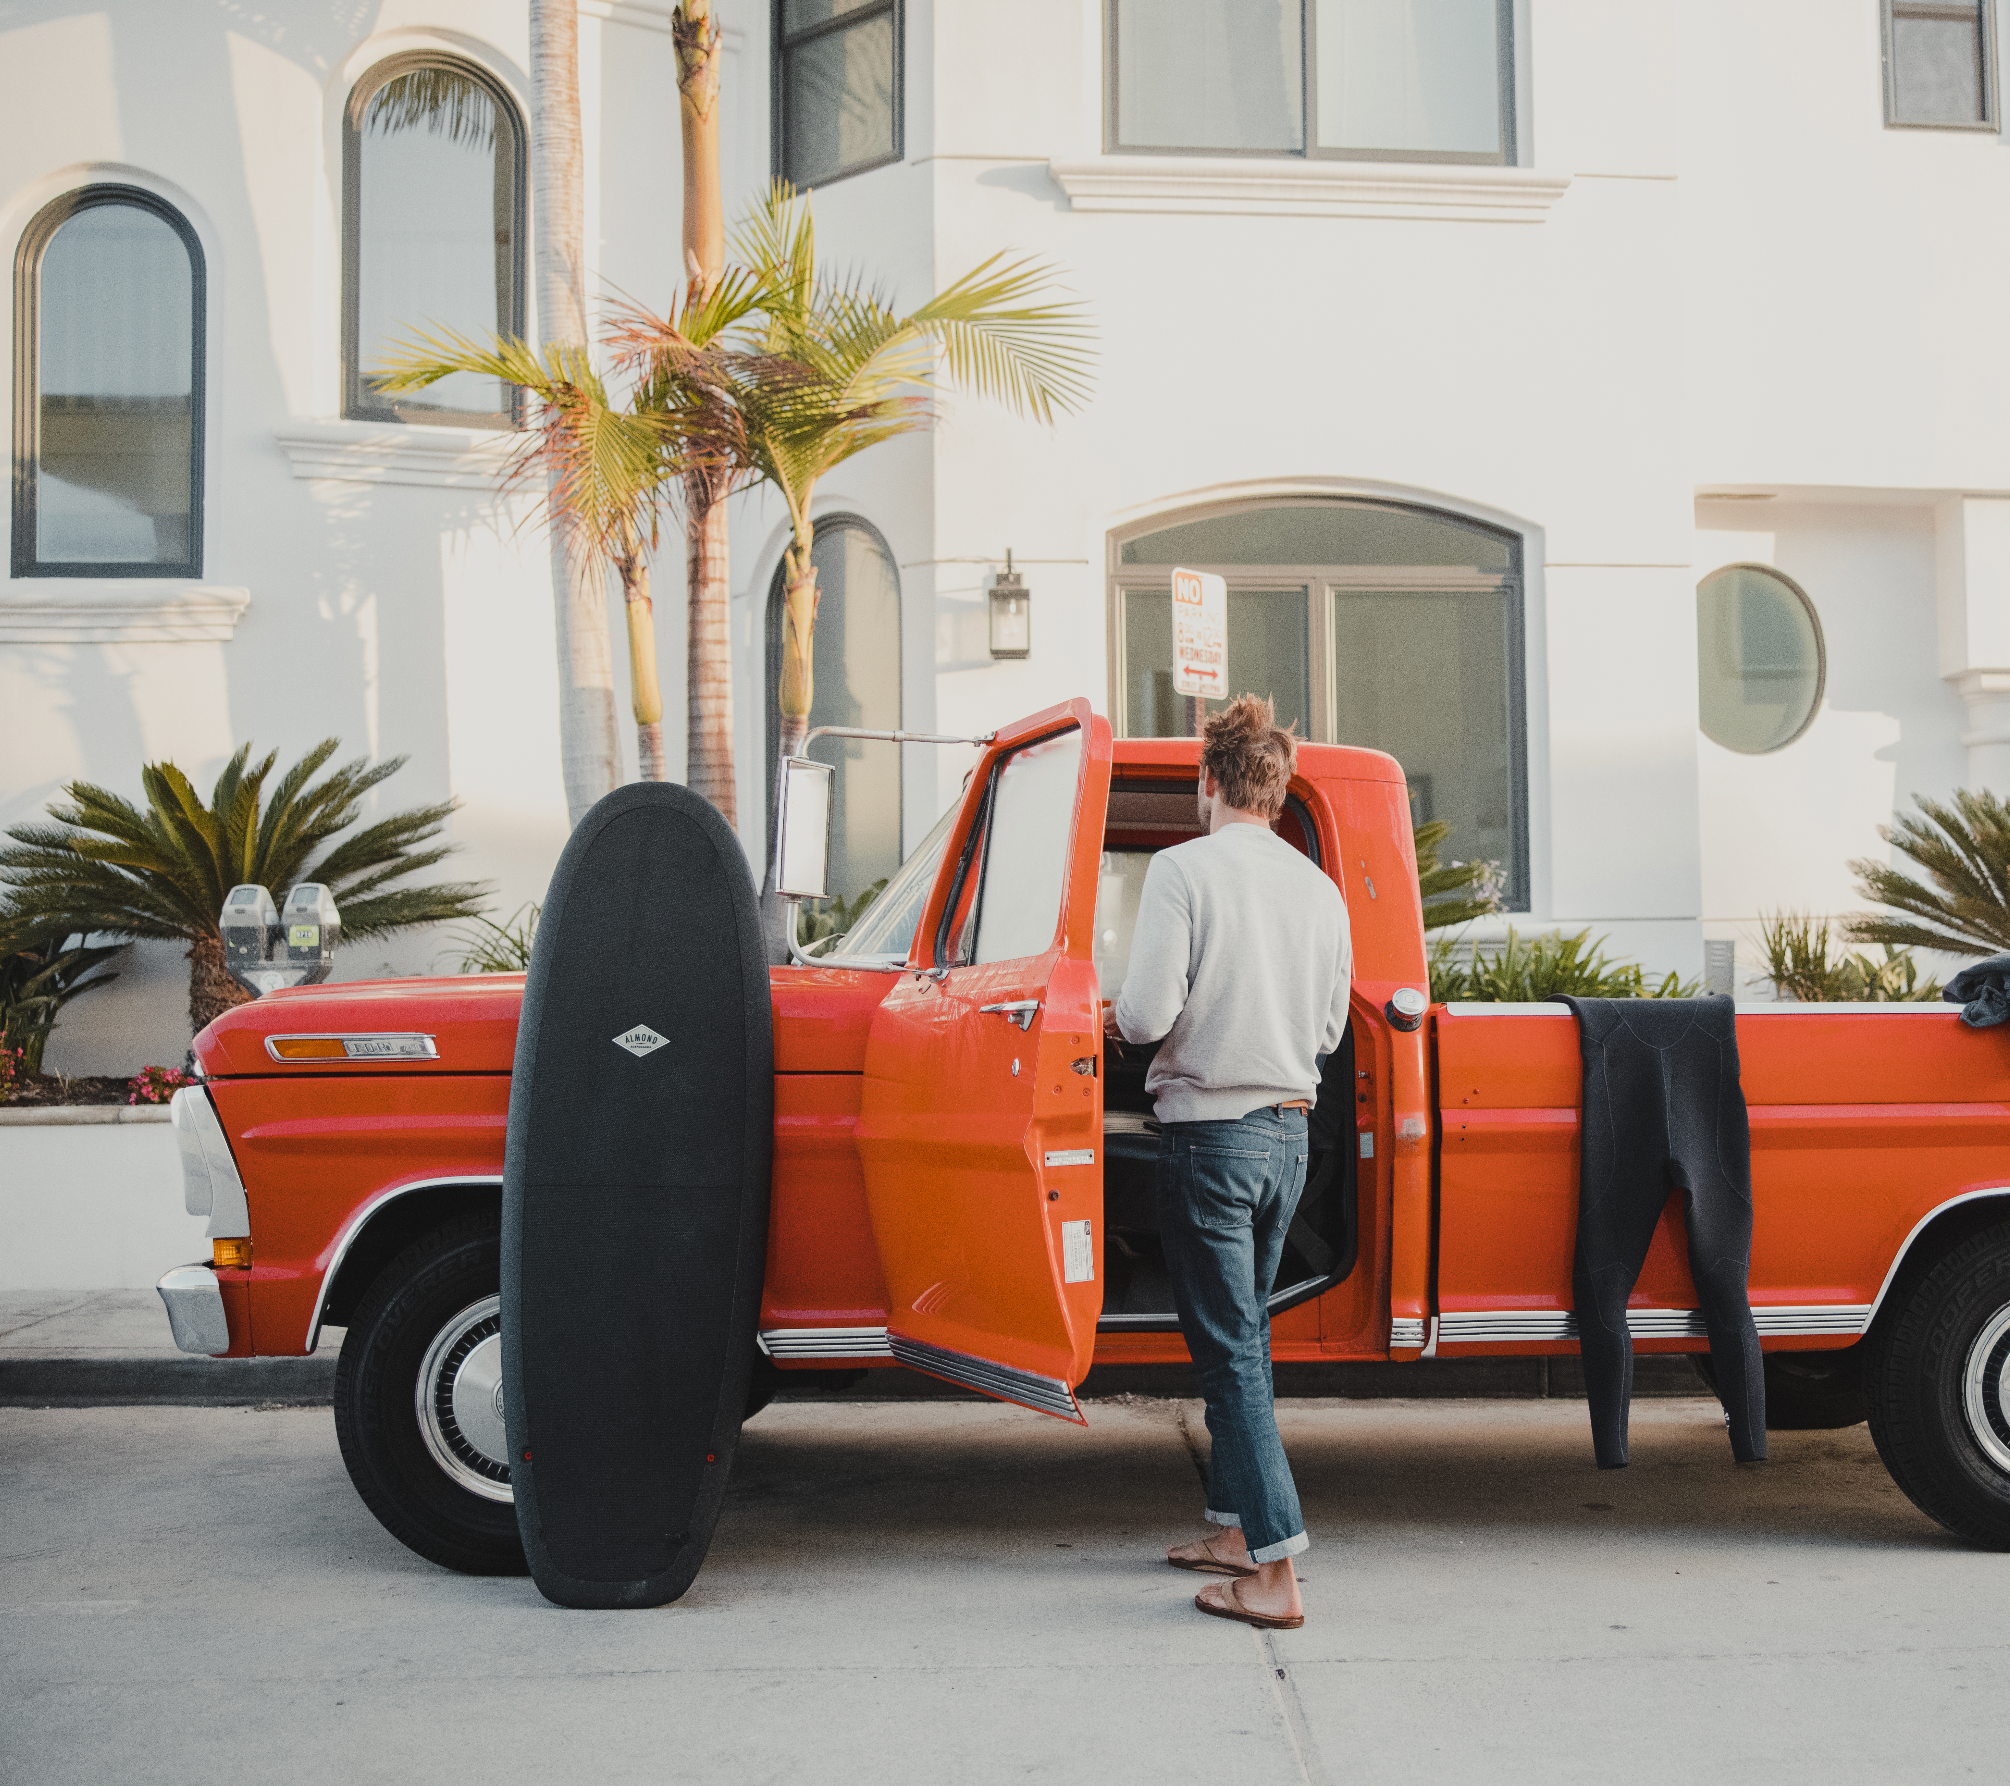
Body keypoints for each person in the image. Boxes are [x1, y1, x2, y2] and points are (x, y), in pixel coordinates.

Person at [1104, 694, 1352, 1631]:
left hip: (1211, 1137)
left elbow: (1144, 1016)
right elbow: (1328, 1028)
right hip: (1288, 1134)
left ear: (1209, 783)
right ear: (1278, 790)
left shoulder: (1181, 871)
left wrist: (1117, 1017)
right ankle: (1240, 1533)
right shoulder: (1317, 889)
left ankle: (1277, 1572)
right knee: (1241, 1342)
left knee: (1230, 1348)